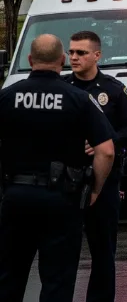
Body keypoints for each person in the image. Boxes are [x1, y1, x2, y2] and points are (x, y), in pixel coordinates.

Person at [0, 34, 115, 302]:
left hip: (16, 196)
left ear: (30, 60)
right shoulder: (78, 98)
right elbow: (106, 150)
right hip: (63, 198)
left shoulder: (7, 97)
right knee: (58, 280)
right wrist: (96, 189)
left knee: (9, 276)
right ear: (62, 60)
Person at [63, 30, 127, 302]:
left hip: (105, 179)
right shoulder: (62, 88)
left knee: (103, 251)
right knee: (64, 251)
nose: (74, 57)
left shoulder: (113, 90)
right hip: (65, 179)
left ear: (97, 55)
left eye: (81, 53)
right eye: (71, 52)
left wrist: (106, 142)